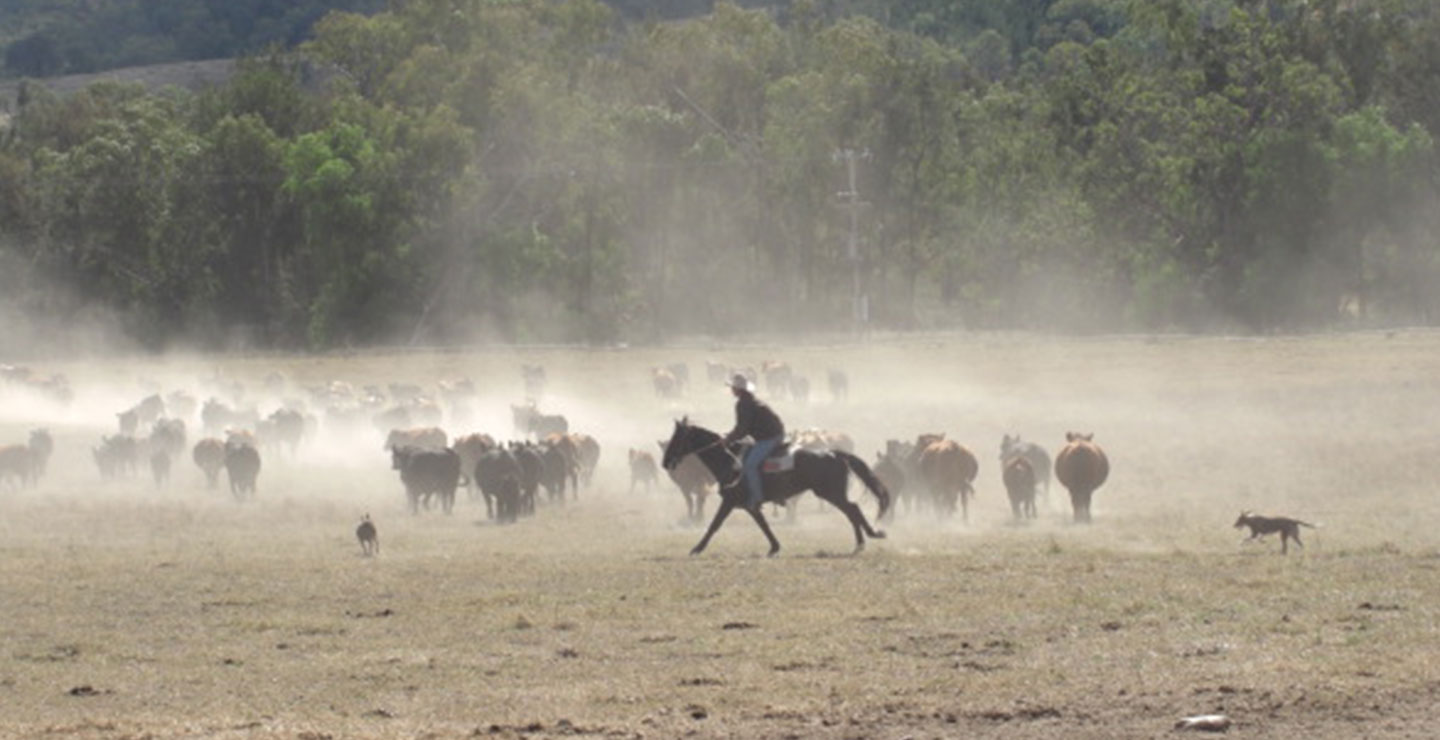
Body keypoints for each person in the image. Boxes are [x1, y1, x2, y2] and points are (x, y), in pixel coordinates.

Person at [722, 373, 785, 513]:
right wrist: (731, 436)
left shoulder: (743, 404)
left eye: (733, 387)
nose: (731, 390)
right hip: (772, 434)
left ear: (738, 390)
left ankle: (757, 499)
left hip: (769, 437)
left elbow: (742, 428)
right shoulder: (749, 400)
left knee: (750, 465)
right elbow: (743, 428)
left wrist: (728, 439)